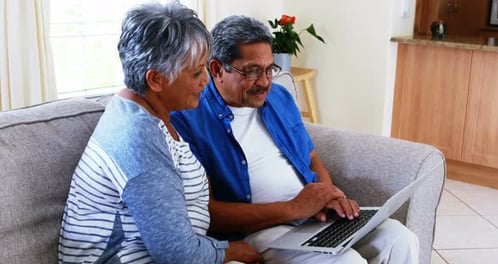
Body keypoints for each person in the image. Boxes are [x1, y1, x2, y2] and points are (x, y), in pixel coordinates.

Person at [171, 15, 420, 264]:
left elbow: (312, 161)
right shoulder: (190, 117)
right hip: (262, 231)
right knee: (349, 262)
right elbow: (208, 212)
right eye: (253, 72)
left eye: (269, 69)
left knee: (400, 238)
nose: (265, 82)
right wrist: (295, 208)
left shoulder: (279, 98)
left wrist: (330, 197)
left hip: (313, 219)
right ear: (216, 69)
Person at [58, 3, 262, 263]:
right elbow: (177, 253)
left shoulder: (146, 112)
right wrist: (231, 250)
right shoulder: (138, 138)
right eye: (196, 73)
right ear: (155, 80)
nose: (205, 81)